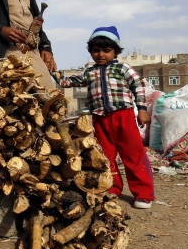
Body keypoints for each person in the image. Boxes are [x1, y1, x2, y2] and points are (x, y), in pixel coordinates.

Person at [56, 27, 155, 209]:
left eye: (106, 50)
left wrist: (142, 109)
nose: (101, 54)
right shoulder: (90, 71)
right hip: (100, 119)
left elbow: (138, 86)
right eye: (96, 51)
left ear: (115, 51)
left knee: (133, 154)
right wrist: (55, 74)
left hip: (122, 116)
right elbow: (71, 81)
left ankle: (143, 194)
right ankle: (112, 188)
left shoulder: (122, 68)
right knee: (105, 157)